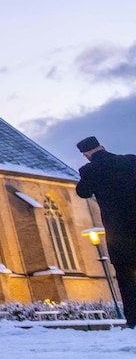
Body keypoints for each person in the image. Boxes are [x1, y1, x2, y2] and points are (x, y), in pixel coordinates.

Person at [75, 135, 136, 328]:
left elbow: (82, 192)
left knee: (126, 277)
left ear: (85, 155)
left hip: (118, 233)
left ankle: (134, 319)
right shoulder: (130, 160)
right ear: (102, 146)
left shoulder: (89, 170)